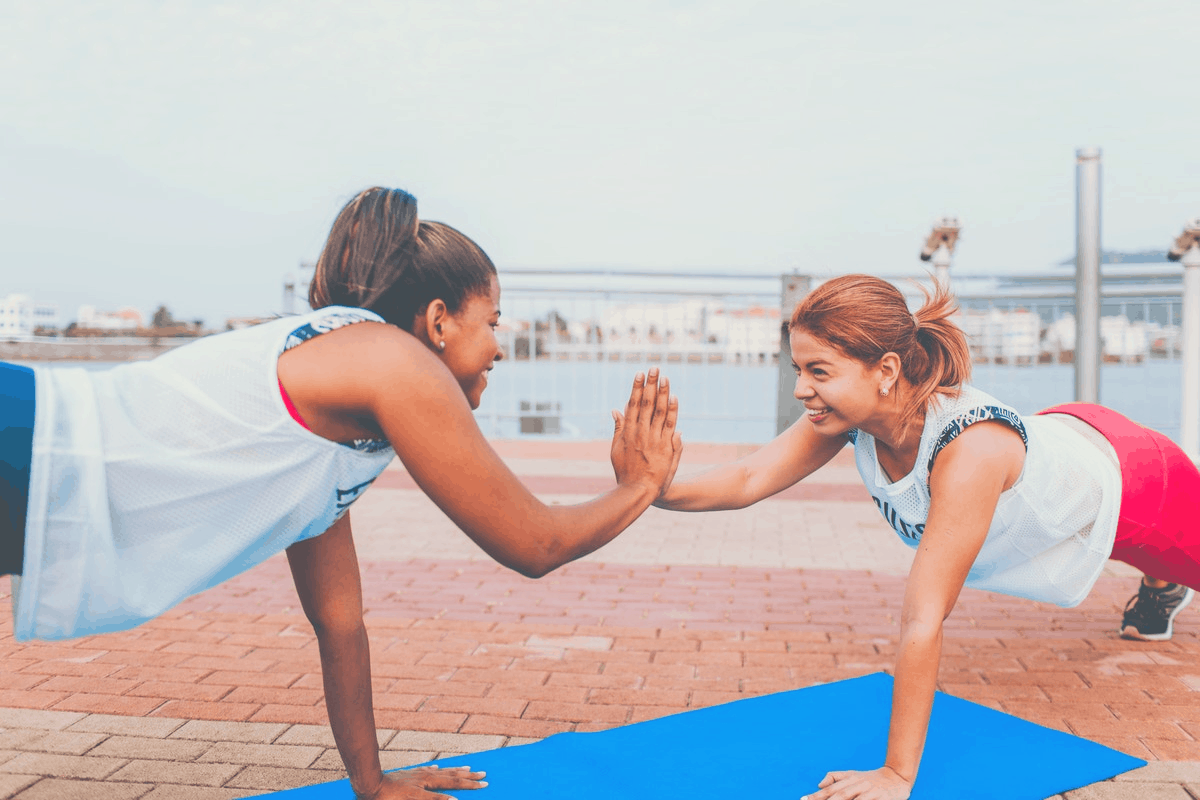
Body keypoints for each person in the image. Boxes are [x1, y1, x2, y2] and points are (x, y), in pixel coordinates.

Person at [0, 186, 683, 800]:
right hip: (29, 442)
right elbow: (534, 544)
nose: (499, 349)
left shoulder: (338, 421)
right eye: (493, 322)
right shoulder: (393, 362)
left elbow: (340, 621)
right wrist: (642, 484)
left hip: (31, 468)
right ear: (440, 320)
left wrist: (371, 781)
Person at [652, 274, 1197, 800]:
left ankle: (1164, 580)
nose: (800, 390)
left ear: (885, 369)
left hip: (1134, 477)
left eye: (818, 370)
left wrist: (896, 773)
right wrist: (651, 486)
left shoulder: (970, 452)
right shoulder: (847, 415)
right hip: (1063, 436)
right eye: (797, 368)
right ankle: (1162, 580)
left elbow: (923, 616)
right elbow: (749, 478)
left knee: (1174, 557)